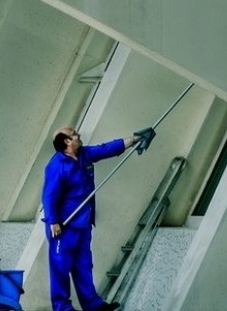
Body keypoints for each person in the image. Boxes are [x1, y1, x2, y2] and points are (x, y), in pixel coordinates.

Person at [41, 126, 151, 311]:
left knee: (84, 265)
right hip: (63, 226)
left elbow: (105, 149)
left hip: (82, 223)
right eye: (74, 134)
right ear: (66, 141)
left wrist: (134, 139)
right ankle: (62, 308)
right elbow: (49, 196)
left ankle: (93, 305)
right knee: (60, 267)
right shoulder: (57, 166)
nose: (79, 135)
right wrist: (53, 221)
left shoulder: (84, 154)